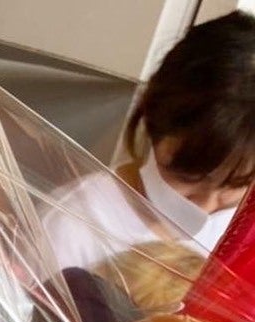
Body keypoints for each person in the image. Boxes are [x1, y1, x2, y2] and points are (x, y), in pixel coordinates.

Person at [42, 11, 255, 274]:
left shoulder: (244, 237)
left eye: (236, 184)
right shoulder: (72, 224)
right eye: (188, 177)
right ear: (155, 116)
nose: (206, 206)